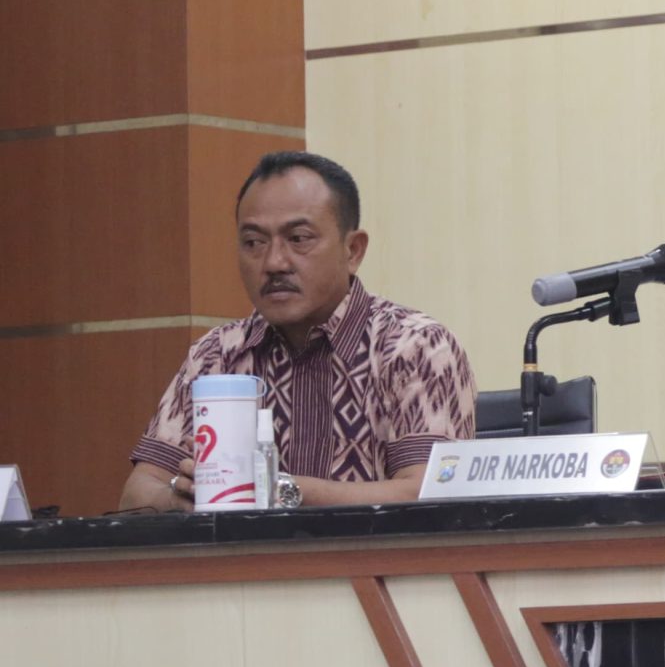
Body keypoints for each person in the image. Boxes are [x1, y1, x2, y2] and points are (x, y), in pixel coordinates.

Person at [119, 152, 476, 511]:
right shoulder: (216, 354)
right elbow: (136, 494)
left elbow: (433, 494)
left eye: (299, 238)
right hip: (243, 551)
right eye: (254, 243)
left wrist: (281, 490)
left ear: (353, 251)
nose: (274, 262)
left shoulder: (414, 346)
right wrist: (177, 497)